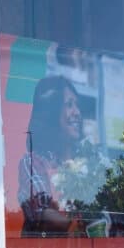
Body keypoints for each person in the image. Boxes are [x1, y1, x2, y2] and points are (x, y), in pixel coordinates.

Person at [17, 75, 89, 235]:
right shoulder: (33, 162)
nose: (77, 112)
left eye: (77, 105)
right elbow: (42, 212)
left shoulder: (87, 163)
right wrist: (79, 227)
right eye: (69, 105)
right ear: (52, 113)